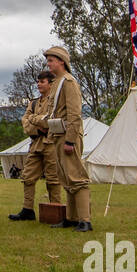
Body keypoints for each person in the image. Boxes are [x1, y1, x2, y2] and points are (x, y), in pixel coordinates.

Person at [44, 46, 92, 232]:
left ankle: (85, 219)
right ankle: (72, 218)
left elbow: (74, 113)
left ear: (61, 61)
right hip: (57, 134)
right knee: (66, 178)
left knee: (77, 177)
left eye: (51, 61)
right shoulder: (57, 82)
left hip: (67, 135)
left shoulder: (69, 82)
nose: (48, 64)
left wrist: (71, 140)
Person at [10, 70, 62, 221]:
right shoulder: (33, 103)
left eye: (42, 81)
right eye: (38, 82)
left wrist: (35, 119)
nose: (39, 84)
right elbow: (25, 123)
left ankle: (56, 210)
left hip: (51, 142)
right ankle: (27, 210)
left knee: (53, 179)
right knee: (27, 177)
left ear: (51, 84)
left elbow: (50, 121)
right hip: (36, 143)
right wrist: (37, 125)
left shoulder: (56, 101)